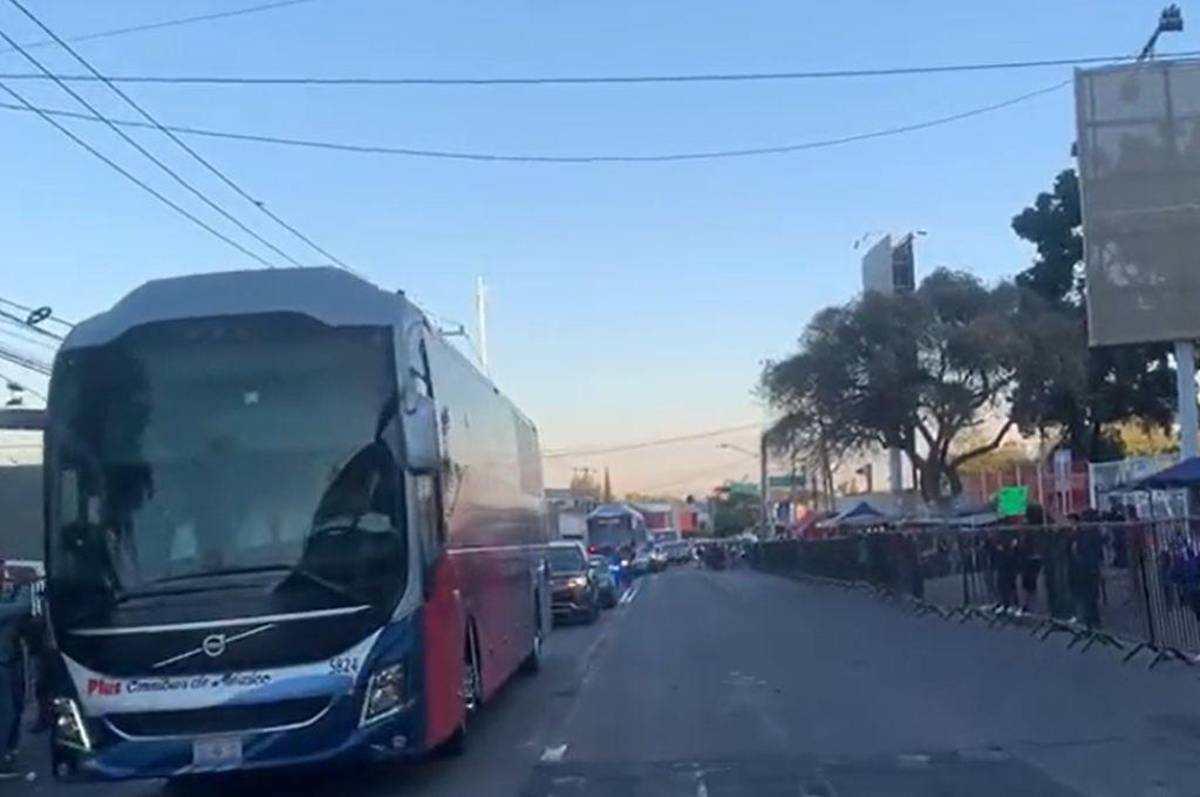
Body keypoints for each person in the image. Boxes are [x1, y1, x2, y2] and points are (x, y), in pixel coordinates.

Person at [0, 562, 31, 777]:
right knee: (6, 712)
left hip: (12, 661)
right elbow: (21, 607)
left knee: (17, 706)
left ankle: (9, 750)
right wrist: (25, 586)